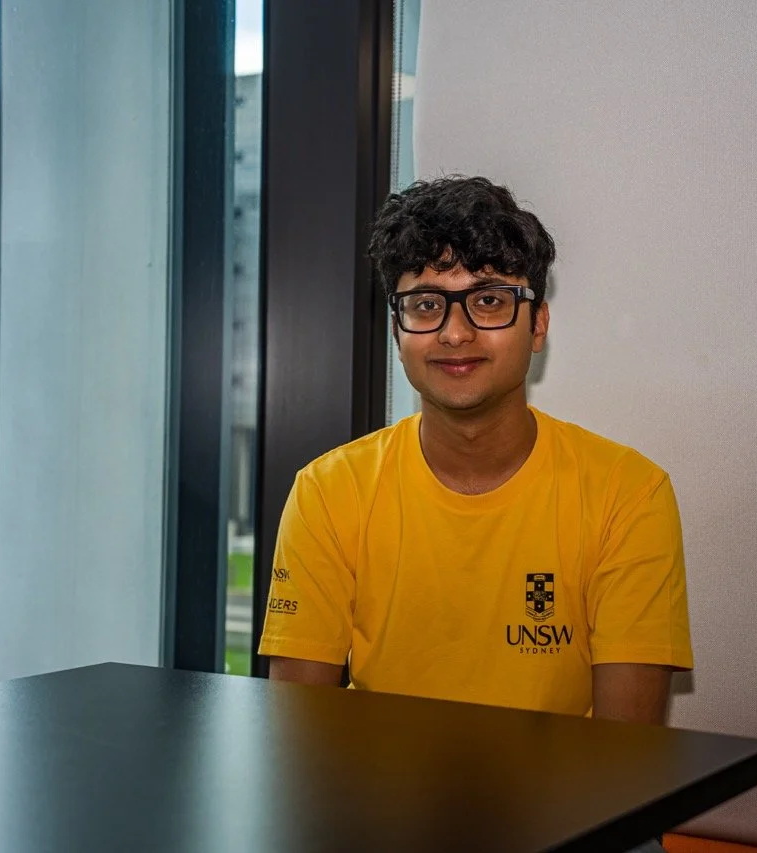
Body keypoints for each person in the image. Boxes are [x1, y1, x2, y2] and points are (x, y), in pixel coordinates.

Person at [258, 175, 692, 724]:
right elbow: (297, 734)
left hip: (566, 785)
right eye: (425, 304)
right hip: (373, 782)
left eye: (488, 301)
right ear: (397, 331)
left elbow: (626, 752)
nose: (455, 333)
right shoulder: (328, 492)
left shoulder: (626, 495)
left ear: (538, 324)